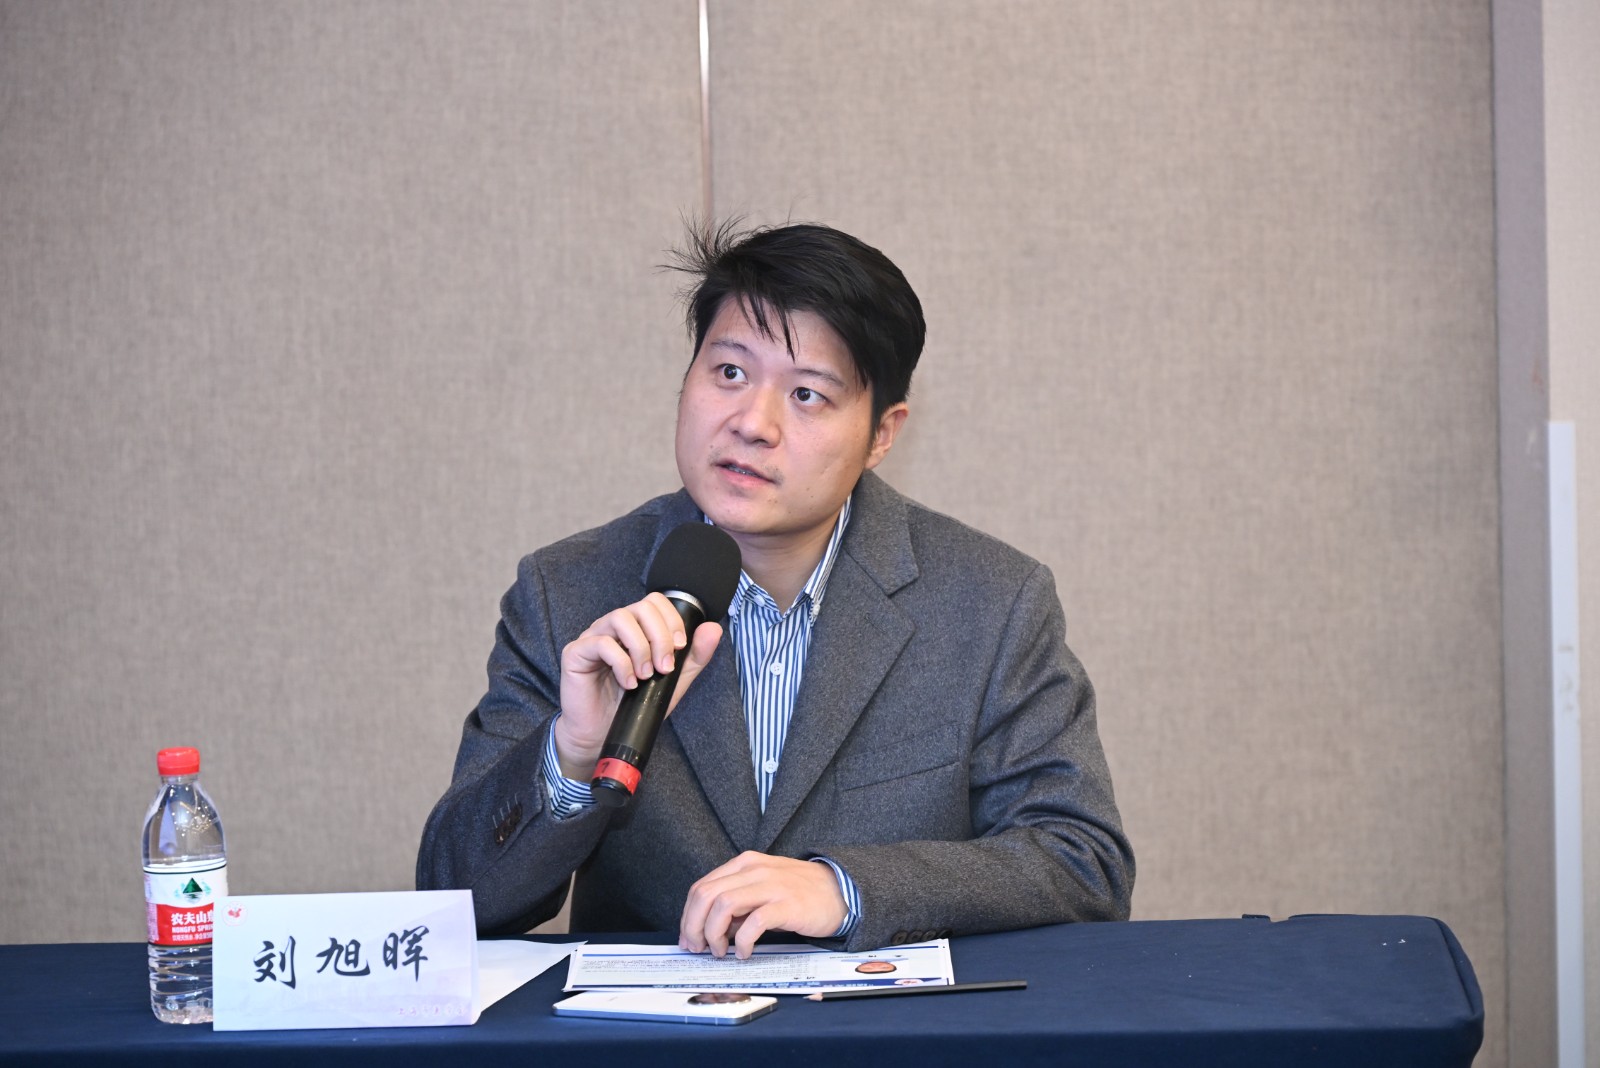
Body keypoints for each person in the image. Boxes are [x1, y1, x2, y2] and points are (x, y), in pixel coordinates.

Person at [416, 221, 1133, 957]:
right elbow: (455, 900)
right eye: (729, 373)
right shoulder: (569, 590)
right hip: (648, 1026)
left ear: (883, 434)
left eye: (808, 394)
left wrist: (846, 889)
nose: (753, 424)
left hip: (890, 1024)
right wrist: (572, 753)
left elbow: (1083, 862)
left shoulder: (989, 601)